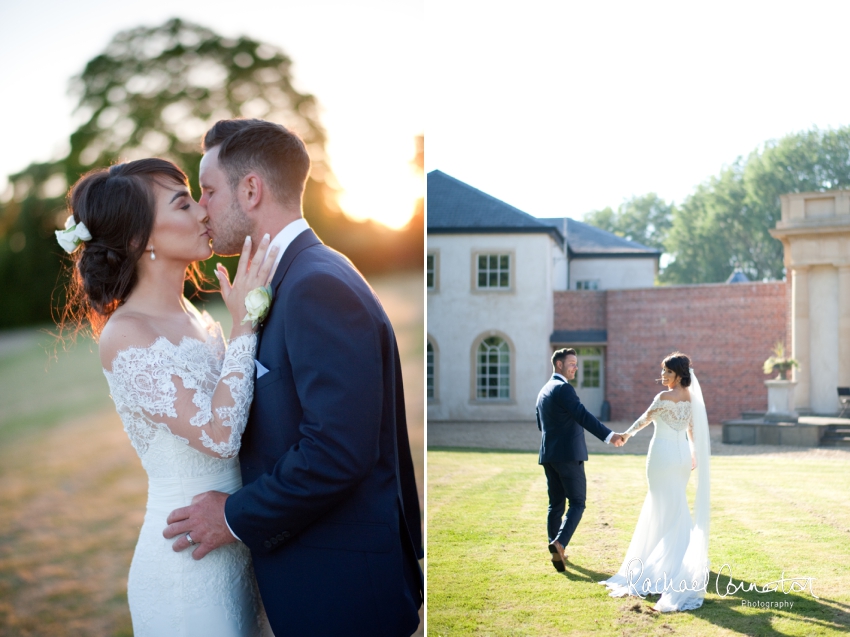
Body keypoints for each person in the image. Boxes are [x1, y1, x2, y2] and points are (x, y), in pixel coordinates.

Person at [161, 119, 423, 637]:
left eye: (209, 191)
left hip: (344, 593)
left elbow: (335, 451)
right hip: (323, 581)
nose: (203, 207)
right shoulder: (295, 277)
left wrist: (232, 515)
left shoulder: (315, 285)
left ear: (251, 189)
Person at [56, 158, 277, 635]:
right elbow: (219, 436)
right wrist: (244, 325)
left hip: (234, 548)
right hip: (185, 568)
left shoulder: (199, 318)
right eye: (183, 203)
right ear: (141, 240)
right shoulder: (126, 334)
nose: (203, 212)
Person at [600, 352, 711, 612]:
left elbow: (645, 419)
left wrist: (625, 435)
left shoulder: (663, 398)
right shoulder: (692, 399)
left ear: (679, 375)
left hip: (662, 455)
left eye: (667, 373)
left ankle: (657, 566)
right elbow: (693, 430)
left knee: (660, 507)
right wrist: (694, 453)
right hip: (682, 455)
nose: (662, 376)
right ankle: (677, 566)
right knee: (677, 506)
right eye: (662, 371)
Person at [536, 348, 624, 572]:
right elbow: (582, 415)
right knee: (577, 503)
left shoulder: (544, 390)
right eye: (572, 363)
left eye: (576, 363)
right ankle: (559, 543)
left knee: (555, 504)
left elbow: (541, 425)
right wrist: (609, 435)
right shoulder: (564, 388)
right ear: (559, 365)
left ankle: (556, 547)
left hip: (549, 455)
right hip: (568, 455)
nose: (576, 367)